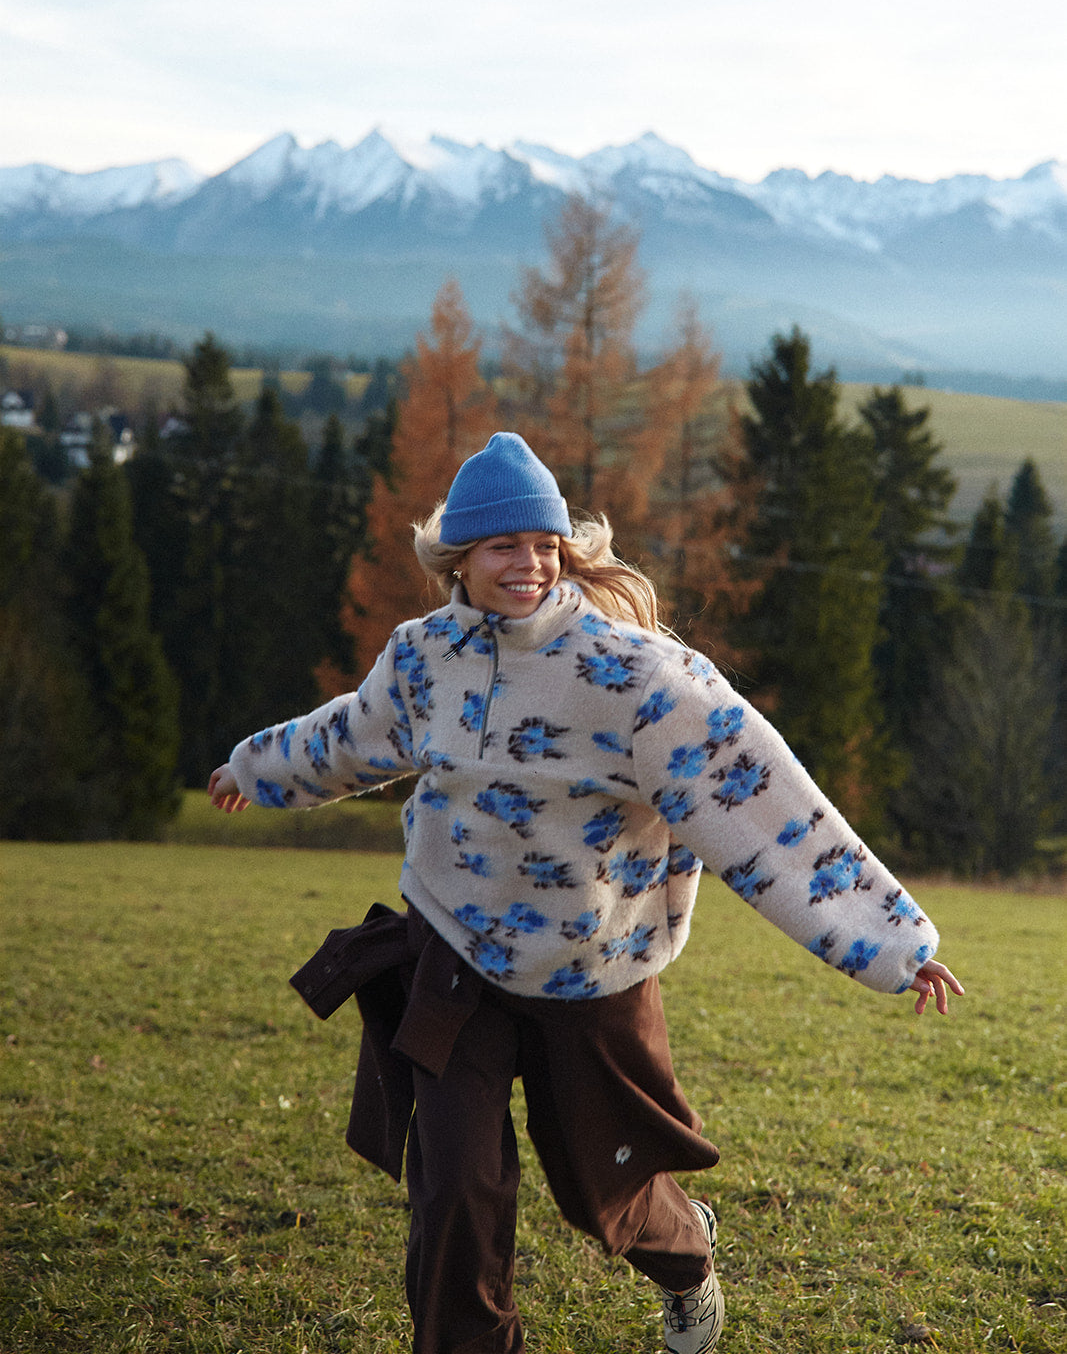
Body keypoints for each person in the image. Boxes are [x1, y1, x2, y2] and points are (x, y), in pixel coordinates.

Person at [209, 431, 963, 1354]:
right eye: (501, 547)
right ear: (458, 559)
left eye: (543, 547)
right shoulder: (423, 658)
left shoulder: (636, 678)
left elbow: (763, 801)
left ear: (564, 553)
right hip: (451, 948)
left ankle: (688, 1258)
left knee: (600, 1188)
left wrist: (891, 942)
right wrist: (257, 766)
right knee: (452, 1193)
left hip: (593, 973)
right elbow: (350, 737)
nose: (526, 565)